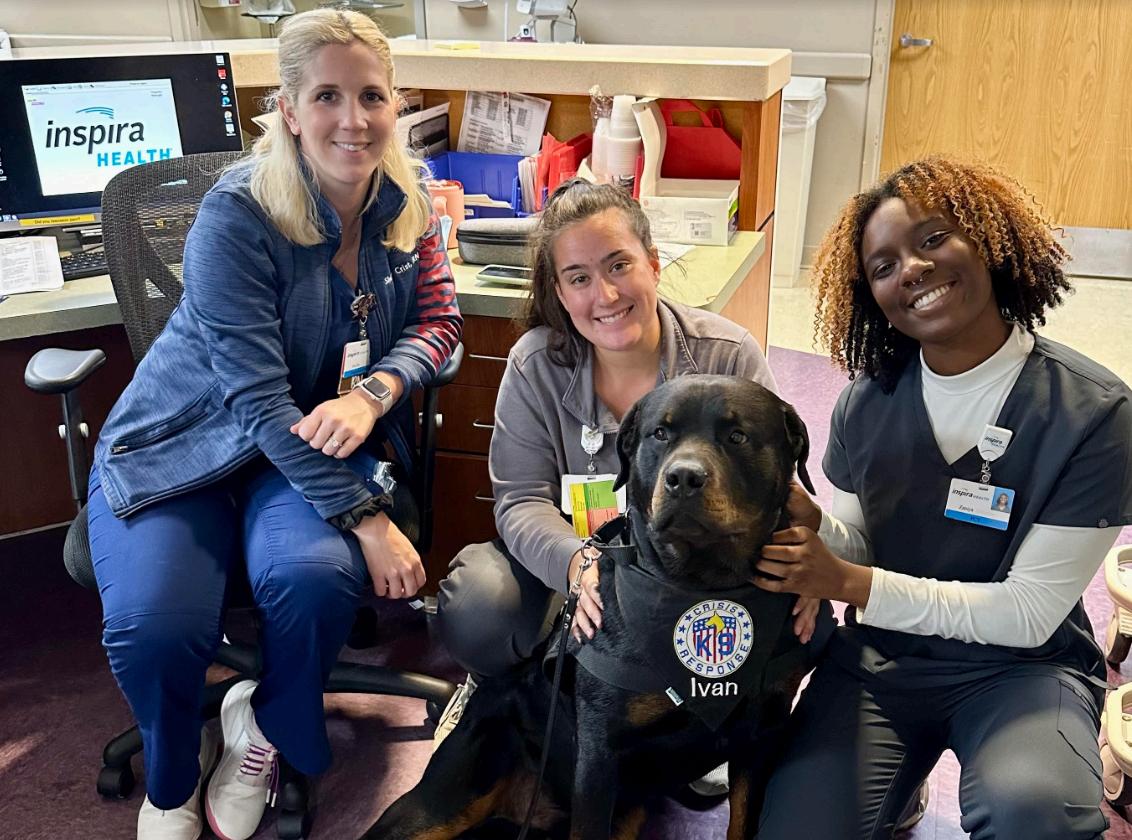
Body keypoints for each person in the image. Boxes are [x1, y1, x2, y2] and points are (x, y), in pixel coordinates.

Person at [86, 10, 461, 840]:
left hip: (308, 447)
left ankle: (264, 725)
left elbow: (439, 322)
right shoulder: (237, 215)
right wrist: (368, 520)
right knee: (156, 626)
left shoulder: (408, 204)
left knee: (312, 582)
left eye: (372, 96)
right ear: (288, 109)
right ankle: (173, 773)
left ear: (395, 103)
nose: (353, 119)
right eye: (326, 96)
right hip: (183, 446)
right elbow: (258, 403)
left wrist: (376, 392)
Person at [755, 156, 1132, 839]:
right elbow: (861, 547)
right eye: (883, 266)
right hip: (883, 661)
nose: (912, 269)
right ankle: (896, 786)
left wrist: (847, 581)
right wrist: (817, 527)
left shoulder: (1095, 413)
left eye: (933, 238)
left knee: (1036, 814)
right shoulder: (865, 402)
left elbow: (1027, 613)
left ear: (988, 239)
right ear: (872, 296)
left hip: (1021, 668)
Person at [433, 180, 818, 765]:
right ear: (559, 292)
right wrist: (576, 562)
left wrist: (807, 557)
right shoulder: (535, 363)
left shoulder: (727, 354)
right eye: (579, 278)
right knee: (481, 605)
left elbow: (773, 484)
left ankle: (699, 717)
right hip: (576, 556)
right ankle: (497, 694)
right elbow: (521, 501)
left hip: (690, 567)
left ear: (653, 264)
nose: (606, 294)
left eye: (619, 265)